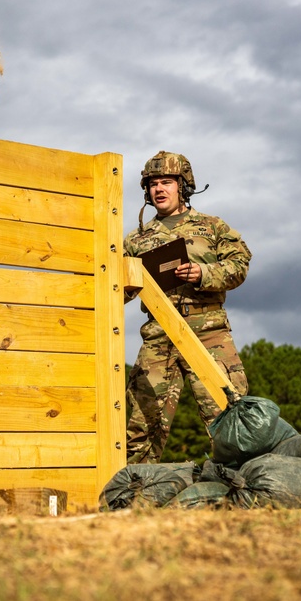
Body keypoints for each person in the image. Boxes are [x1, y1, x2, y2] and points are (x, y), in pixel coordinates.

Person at [124, 151, 251, 464]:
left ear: (183, 186)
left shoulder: (212, 227)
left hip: (209, 333)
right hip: (158, 338)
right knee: (143, 422)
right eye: (153, 184)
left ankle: (243, 489)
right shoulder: (136, 240)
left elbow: (240, 264)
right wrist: (126, 285)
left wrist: (203, 274)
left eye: (166, 182)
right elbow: (115, 287)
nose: (159, 189)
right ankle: (132, 498)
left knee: (228, 413)